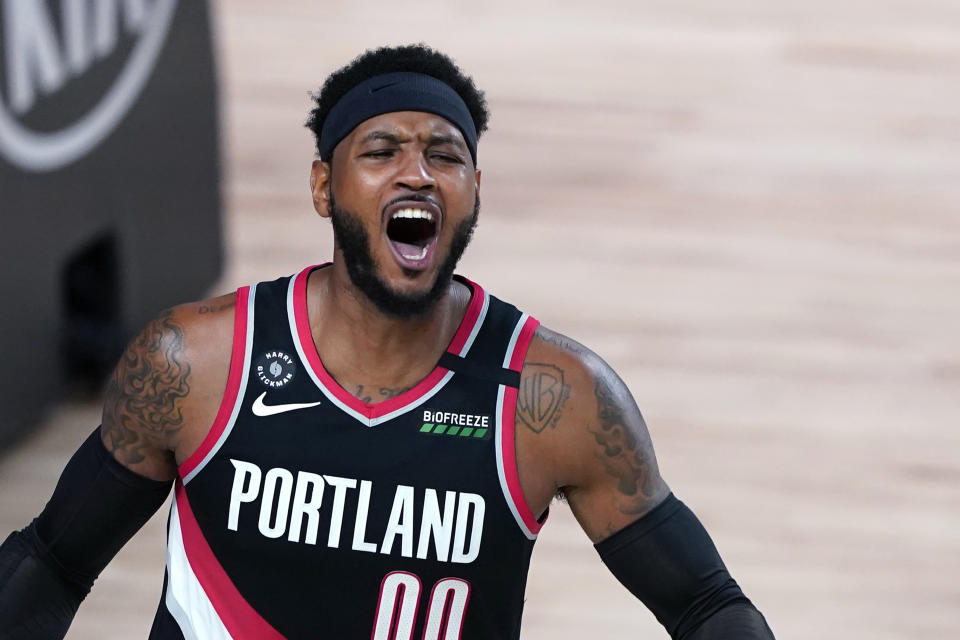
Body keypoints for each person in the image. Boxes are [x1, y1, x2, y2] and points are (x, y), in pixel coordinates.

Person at [0, 44, 775, 639]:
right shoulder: (196, 362)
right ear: (322, 187)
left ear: (475, 191)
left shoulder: (554, 398)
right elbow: (53, 564)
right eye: (380, 151)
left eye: (446, 154)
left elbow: (706, 607)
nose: (417, 173)